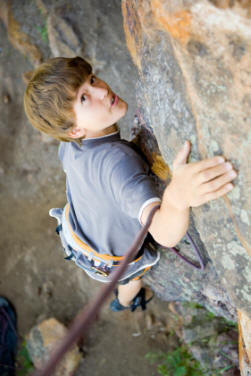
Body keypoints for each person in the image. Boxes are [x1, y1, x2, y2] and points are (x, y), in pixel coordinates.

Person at [23, 56, 237, 312]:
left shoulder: (68, 145)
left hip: (78, 235)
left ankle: (122, 297)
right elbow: (163, 233)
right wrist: (178, 197)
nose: (102, 90)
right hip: (111, 261)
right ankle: (124, 300)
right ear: (75, 131)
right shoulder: (118, 162)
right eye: (84, 97)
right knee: (130, 279)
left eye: (92, 80)